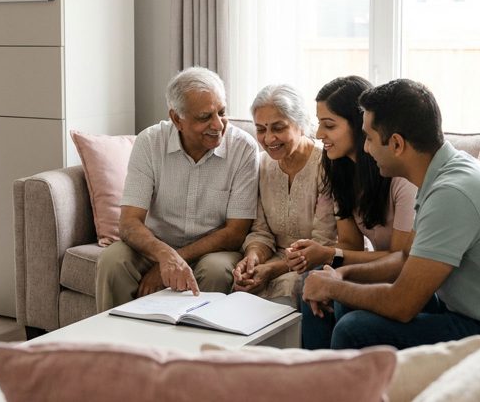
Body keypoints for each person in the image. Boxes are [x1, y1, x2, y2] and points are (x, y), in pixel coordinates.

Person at [301, 78, 480, 349]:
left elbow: (402, 304)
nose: (367, 149)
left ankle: (328, 389)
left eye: (369, 138)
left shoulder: (451, 193)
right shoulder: (441, 175)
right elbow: (406, 259)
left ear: (396, 144)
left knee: (353, 329)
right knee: (345, 304)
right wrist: (342, 277)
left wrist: (333, 287)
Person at [95, 67, 259, 312]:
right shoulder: (149, 142)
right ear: (176, 119)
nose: (218, 124)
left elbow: (235, 232)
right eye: (205, 117)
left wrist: (176, 258)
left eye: (222, 112)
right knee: (113, 259)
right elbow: (129, 223)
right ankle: (119, 346)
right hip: (156, 244)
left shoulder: (243, 148)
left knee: (216, 269)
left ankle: (197, 347)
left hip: (214, 250)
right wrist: (164, 256)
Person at [284, 76, 417, 275]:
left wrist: (328, 255)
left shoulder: (400, 176)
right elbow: (351, 243)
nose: (319, 134)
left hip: (405, 274)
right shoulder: (339, 169)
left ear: (360, 125)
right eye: (319, 123)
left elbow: (399, 258)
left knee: (331, 290)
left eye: (329, 125)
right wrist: (316, 253)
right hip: (378, 266)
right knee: (314, 277)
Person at [232, 85, 337, 303]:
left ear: (301, 124)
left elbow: (323, 241)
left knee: (288, 289)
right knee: (241, 285)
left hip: (314, 262)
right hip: (271, 259)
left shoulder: (327, 166)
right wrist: (252, 258)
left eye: (278, 128)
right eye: (261, 129)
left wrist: (272, 269)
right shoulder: (260, 165)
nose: (269, 139)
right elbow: (260, 232)